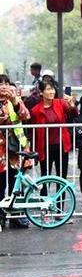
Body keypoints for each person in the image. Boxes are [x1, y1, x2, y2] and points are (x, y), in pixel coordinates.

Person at [30, 80, 78, 183]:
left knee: (62, 177)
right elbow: (33, 132)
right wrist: (33, 151)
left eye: (52, 89)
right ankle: (44, 198)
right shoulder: (35, 110)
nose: (52, 92)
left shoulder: (60, 103)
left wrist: (72, 105)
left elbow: (74, 114)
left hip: (61, 145)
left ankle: (61, 199)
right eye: (48, 89)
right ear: (41, 92)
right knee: (45, 177)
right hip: (45, 147)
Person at [0, 74, 31, 229]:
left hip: (14, 151)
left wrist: (14, 101)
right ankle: (1, 217)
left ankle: (15, 217)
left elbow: (25, 115)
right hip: (1, 153)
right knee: (0, 185)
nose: (4, 86)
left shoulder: (14, 101)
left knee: (15, 186)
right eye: (1, 84)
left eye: (6, 83)